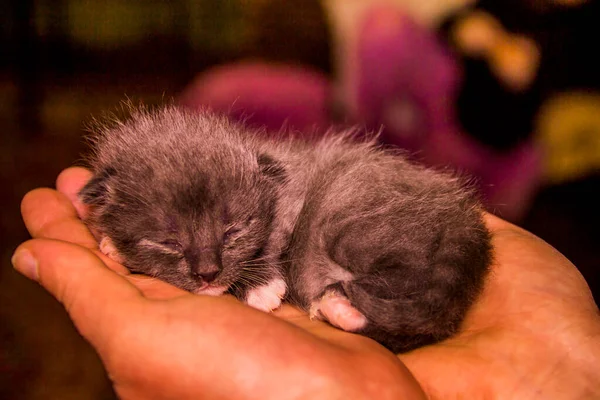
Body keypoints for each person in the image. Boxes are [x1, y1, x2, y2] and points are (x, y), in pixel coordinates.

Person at [12, 167, 600, 399]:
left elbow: (287, 219)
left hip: (383, 229)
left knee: (351, 213)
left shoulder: (267, 188)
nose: (207, 269)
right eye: (169, 245)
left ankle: (389, 297)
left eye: (232, 235)